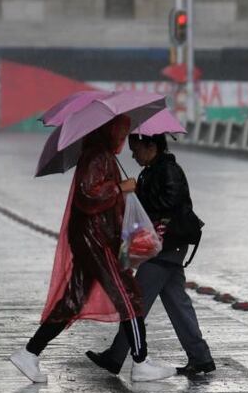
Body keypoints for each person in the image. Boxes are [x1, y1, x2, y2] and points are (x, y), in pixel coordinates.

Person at [11, 115, 176, 384]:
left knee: (73, 299)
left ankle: (29, 353)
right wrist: (119, 188)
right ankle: (141, 361)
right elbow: (88, 195)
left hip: (92, 238)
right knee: (129, 295)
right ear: (108, 130)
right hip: (97, 239)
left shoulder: (101, 155)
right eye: (120, 132)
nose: (123, 139)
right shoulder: (97, 156)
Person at [86, 133, 214, 377]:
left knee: (135, 301)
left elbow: (170, 201)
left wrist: (138, 193)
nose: (133, 155)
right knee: (178, 304)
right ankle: (200, 357)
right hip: (166, 248)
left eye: (137, 150)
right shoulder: (152, 170)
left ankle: (115, 356)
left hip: (166, 246)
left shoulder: (169, 170)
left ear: (151, 146)